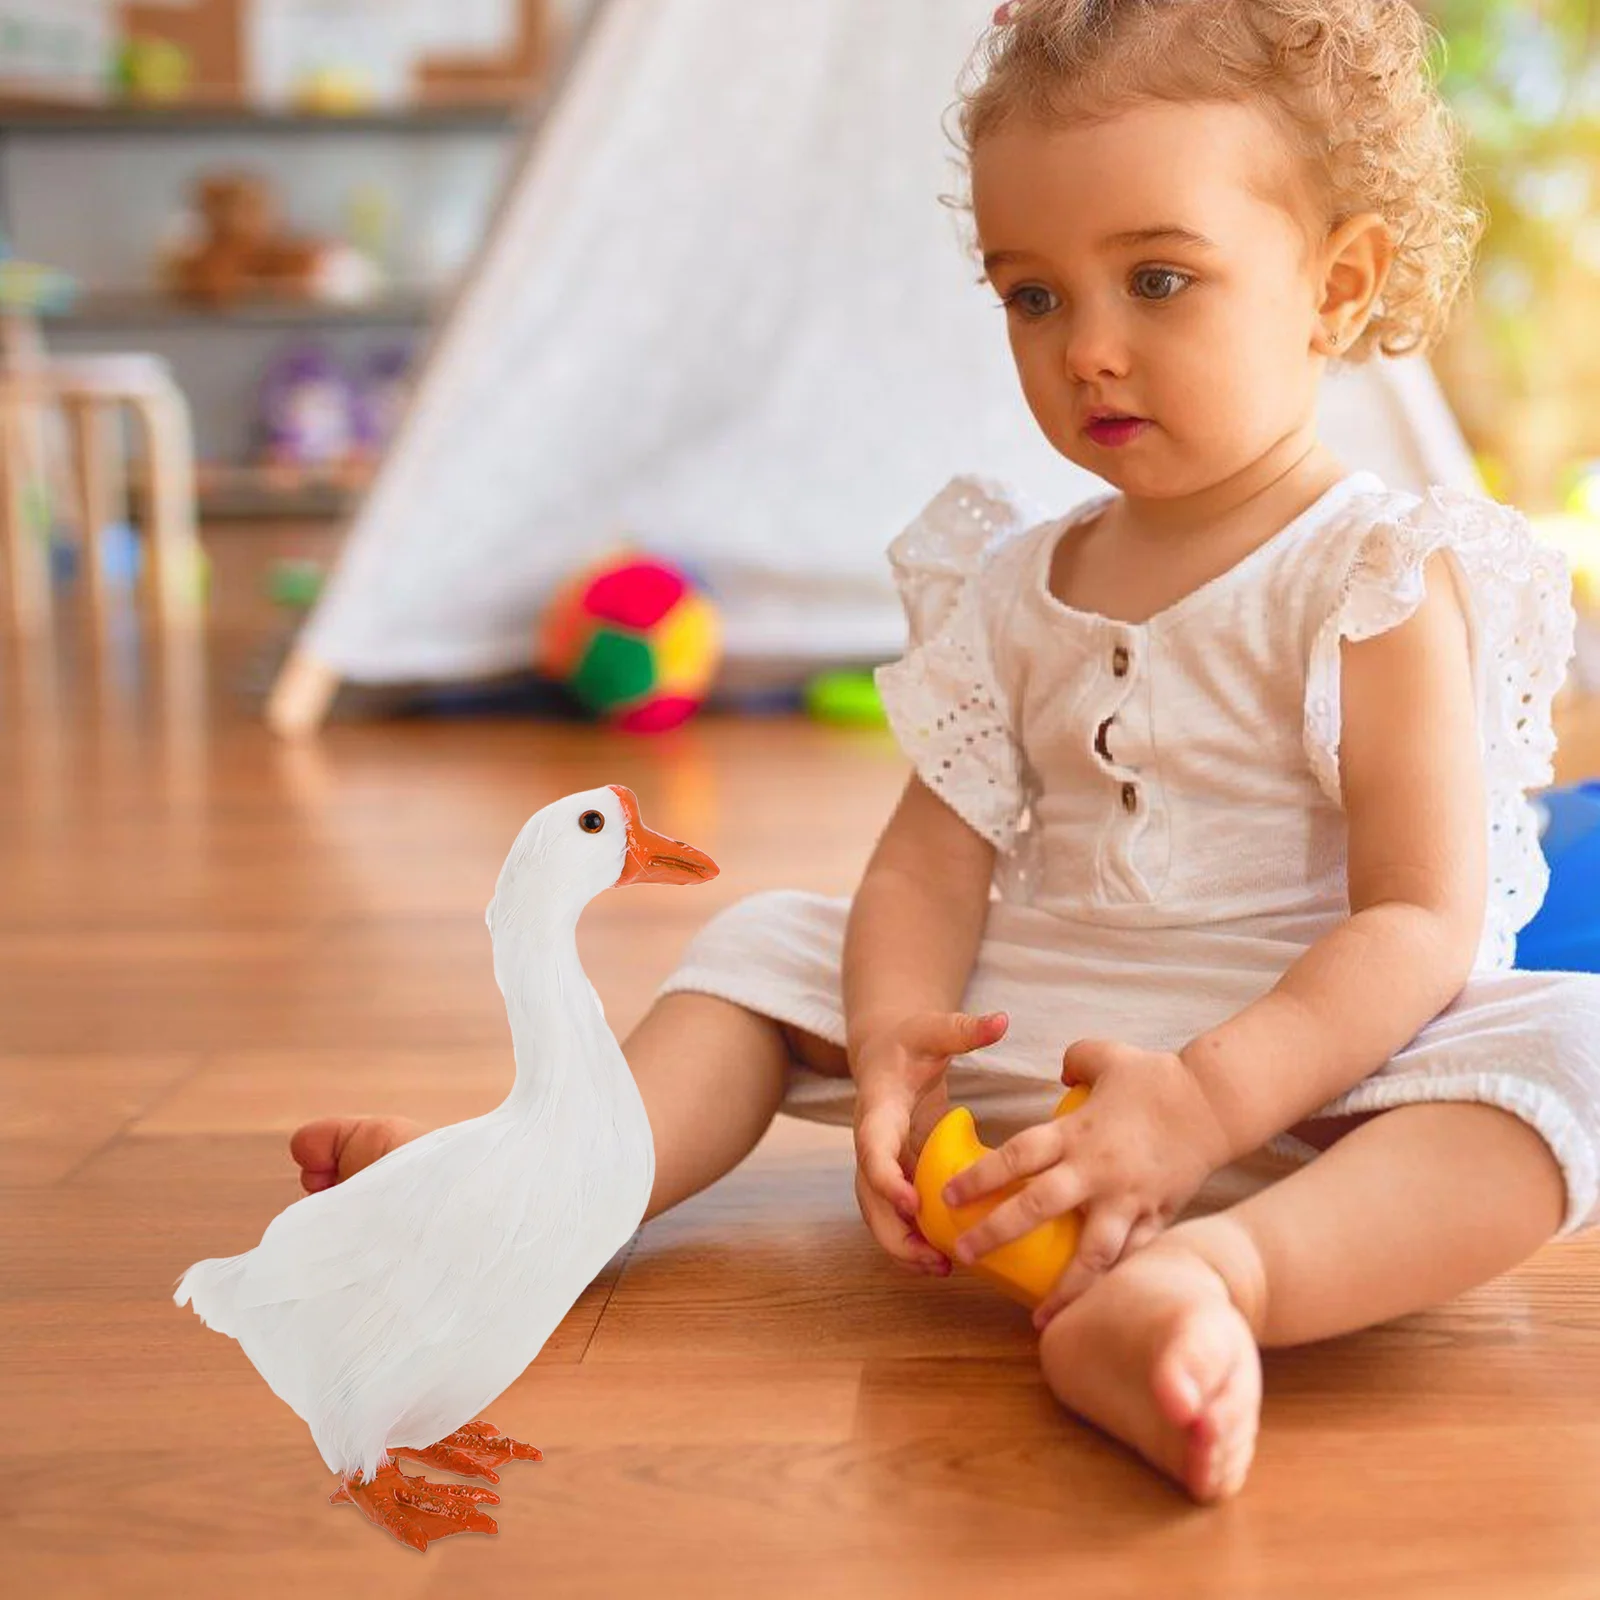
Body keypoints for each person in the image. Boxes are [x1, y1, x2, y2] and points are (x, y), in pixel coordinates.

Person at [291, 0, 1599, 1504]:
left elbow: (1421, 919)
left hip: (1302, 1082)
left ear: (1337, 281)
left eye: (1158, 281)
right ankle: (544, 1190)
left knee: (1575, 1046)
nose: (1088, 351)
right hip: (1028, 1042)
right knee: (766, 942)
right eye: (1032, 297)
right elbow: (934, 845)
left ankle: (1218, 1281)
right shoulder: (1017, 577)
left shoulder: (1376, 574)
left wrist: (1210, 1100)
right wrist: (900, 1019)